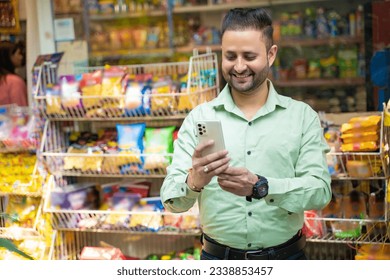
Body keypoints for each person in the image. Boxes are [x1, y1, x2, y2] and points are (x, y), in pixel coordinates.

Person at [160, 8, 332, 260]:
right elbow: (171, 201)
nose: (239, 67)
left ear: (271, 55)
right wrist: (194, 181)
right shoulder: (200, 118)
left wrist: (263, 187)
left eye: (249, 56)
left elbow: (320, 192)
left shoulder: (301, 116)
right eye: (230, 56)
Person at [0, 40, 28, 107]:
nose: (21, 57)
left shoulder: (3, 80)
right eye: (18, 53)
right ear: (9, 56)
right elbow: (21, 111)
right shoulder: (14, 81)